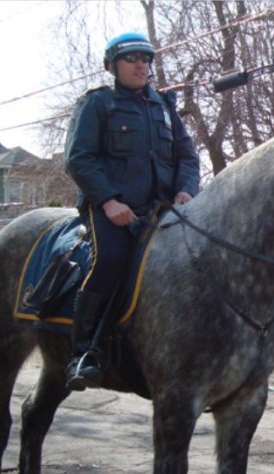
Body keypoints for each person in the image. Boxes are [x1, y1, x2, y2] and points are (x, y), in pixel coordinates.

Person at [63, 32, 200, 391]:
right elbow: (79, 158)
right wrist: (108, 200)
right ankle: (84, 352)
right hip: (110, 208)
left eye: (146, 58)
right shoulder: (97, 104)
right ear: (112, 66)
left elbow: (187, 155)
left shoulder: (164, 106)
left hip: (163, 210)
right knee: (110, 260)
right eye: (132, 58)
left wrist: (186, 190)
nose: (141, 64)